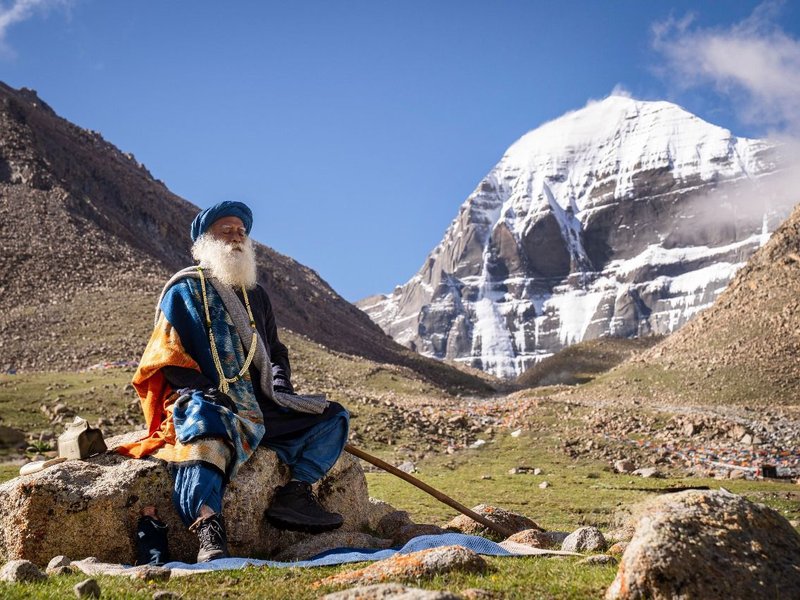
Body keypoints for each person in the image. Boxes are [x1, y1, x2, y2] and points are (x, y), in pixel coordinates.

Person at [118, 201, 350, 563]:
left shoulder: (255, 294)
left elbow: (275, 351)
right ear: (205, 242)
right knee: (204, 432)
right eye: (227, 231)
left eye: (242, 232)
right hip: (211, 401)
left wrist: (280, 385)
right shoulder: (184, 291)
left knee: (332, 416)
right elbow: (167, 356)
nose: (237, 238)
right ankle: (208, 527)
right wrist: (205, 391)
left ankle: (295, 493)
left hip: (261, 404)